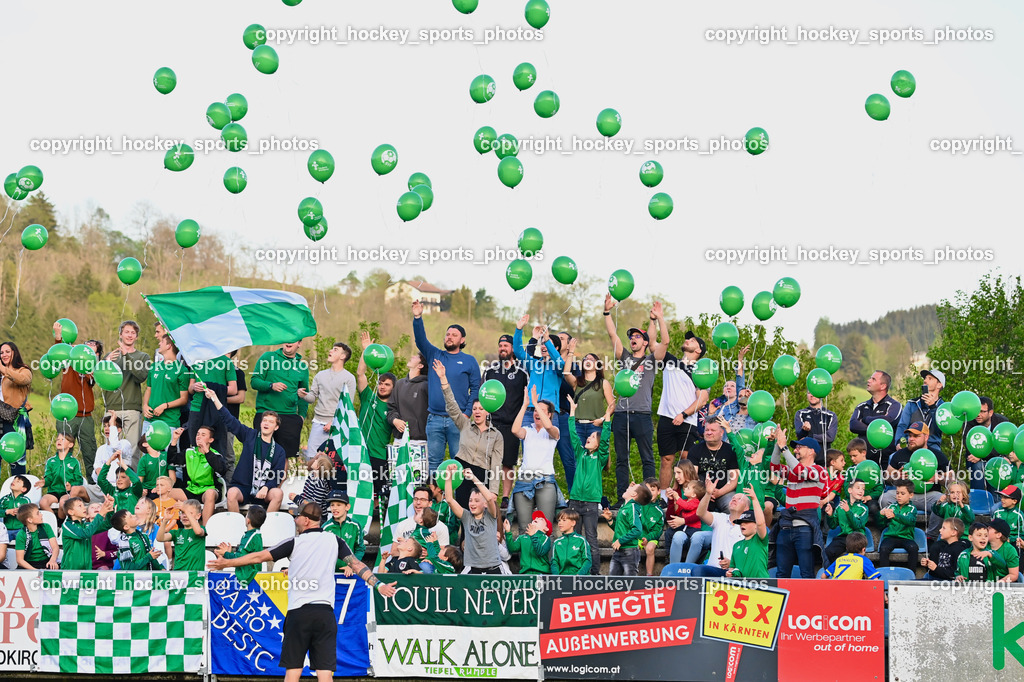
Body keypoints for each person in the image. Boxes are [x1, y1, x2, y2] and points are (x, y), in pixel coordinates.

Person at [208, 501, 397, 682]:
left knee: (293, 671)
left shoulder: (294, 542)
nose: (295, 520)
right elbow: (357, 565)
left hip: (299, 614)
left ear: (306, 520)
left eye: (297, 516)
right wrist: (379, 585)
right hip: (324, 614)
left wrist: (227, 562)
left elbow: (258, 557)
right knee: (325, 673)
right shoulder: (335, 540)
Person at [604, 295, 663, 502]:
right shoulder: (626, 358)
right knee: (622, 459)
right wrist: (607, 313)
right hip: (621, 415)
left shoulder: (651, 360)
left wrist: (654, 321)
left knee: (648, 459)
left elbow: (656, 341)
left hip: (643, 415)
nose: (633, 339)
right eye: (632, 337)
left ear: (644, 342)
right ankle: (622, 497)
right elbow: (613, 336)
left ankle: (650, 496)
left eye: (638, 336)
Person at [411, 300, 480, 473]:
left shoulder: (469, 361)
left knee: (459, 464)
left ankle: (458, 500)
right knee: (434, 463)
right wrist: (418, 317)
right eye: (447, 334)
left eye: (454, 335)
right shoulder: (435, 354)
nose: (449, 337)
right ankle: (436, 500)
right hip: (434, 419)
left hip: (458, 420)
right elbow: (420, 340)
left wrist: (466, 414)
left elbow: (476, 390)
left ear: (462, 340)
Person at [204, 388, 286, 515]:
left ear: (276, 427)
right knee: (231, 493)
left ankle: (266, 530)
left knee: (278, 493)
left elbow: (278, 475)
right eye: (264, 420)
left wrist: (266, 487)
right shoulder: (250, 435)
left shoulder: (279, 450)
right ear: (260, 423)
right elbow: (230, 420)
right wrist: (214, 397)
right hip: (244, 487)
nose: (266, 424)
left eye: (271, 422)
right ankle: (239, 530)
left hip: (263, 490)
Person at [435, 360, 503, 511]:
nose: (477, 411)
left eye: (481, 408)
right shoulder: (465, 425)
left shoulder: (496, 435)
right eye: (474, 408)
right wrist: (443, 379)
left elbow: (496, 465)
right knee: (463, 513)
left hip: (481, 474)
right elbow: (452, 406)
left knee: (479, 515)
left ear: (487, 411)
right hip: (462, 473)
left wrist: (493, 491)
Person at [654, 312, 708, 488]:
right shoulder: (670, 362)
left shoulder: (701, 371)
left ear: (699, 349)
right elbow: (655, 344)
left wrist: (683, 414)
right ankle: (663, 497)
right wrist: (655, 320)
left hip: (687, 420)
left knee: (686, 460)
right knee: (667, 459)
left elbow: (702, 399)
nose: (688, 341)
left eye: (692, 341)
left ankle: (688, 495)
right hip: (666, 418)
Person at [770, 430, 829, 579]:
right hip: (785, 527)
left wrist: (784, 448)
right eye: (795, 447)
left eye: (799, 447)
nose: (795, 449)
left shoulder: (820, 471)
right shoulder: (793, 471)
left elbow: (801, 471)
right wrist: (778, 445)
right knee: (781, 573)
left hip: (804, 528)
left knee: (806, 573)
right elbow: (774, 468)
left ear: (811, 451)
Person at [880, 421, 952, 537]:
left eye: (916, 436)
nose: (911, 439)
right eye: (910, 436)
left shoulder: (937, 455)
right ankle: (895, 531)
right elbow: (886, 477)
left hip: (928, 496)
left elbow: (953, 481)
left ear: (926, 437)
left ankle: (931, 536)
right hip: (904, 496)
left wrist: (938, 478)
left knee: (943, 502)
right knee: (885, 497)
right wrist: (896, 477)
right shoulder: (899, 454)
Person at [567, 396, 613, 575]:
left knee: (591, 539)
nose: (588, 437)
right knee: (575, 539)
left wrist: (607, 417)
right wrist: (573, 411)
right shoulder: (581, 454)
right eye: (589, 435)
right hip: (575, 502)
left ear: (598, 443)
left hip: (590, 505)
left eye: (593, 436)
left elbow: (606, 438)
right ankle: (576, 571)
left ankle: (595, 573)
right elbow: (572, 434)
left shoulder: (599, 457)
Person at [482, 336, 529, 504]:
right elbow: (482, 395)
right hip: (491, 425)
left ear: (512, 349)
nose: (502, 348)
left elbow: (528, 395)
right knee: (487, 463)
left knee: (507, 464)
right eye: (500, 345)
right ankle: (488, 496)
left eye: (506, 345)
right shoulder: (490, 370)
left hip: (512, 426)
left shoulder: (522, 372)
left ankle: (505, 497)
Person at [52, 325, 102, 482]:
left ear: (97, 355)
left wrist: (91, 369)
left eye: (91, 351)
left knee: (90, 454)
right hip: (67, 414)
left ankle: (94, 488)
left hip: (86, 417)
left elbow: (92, 381)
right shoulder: (69, 360)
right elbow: (57, 353)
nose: (86, 353)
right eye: (84, 349)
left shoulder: (95, 369)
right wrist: (59, 337)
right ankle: (61, 488)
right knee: (63, 454)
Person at [355, 332, 396, 507]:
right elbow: (360, 374)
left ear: (393, 388)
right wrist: (366, 352)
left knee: (377, 497)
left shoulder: (395, 409)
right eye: (380, 383)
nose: (382, 386)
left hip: (379, 456)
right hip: (359, 452)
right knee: (357, 491)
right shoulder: (368, 397)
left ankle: (374, 531)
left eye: (387, 384)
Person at [250, 340, 309, 460]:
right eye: (287, 338)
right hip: (265, 414)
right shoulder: (268, 357)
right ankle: (260, 479)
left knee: (283, 457)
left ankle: (279, 479)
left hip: (289, 417)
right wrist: (271, 385)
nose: (289, 342)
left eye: (293, 340)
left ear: (299, 344)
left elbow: (304, 395)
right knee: (260, 455)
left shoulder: (302, 367)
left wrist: (301, 416)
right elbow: (254, 381)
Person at [510, 385, 558, 532]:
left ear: (549, 414)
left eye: (542, 411)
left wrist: (536, 403)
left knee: (546, 529)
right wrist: (526, 405)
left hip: (546, 481)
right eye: (535, 411)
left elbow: (549, 427)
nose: (537, 413)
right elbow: (514, 430)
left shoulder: (554, 431)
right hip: (524, 481)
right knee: (525, 529)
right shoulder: (528, 430)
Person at [102, 321, 151, 465]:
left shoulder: (143, 357)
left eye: (133, 333)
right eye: (127, 332)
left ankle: (132, 483)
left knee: (132, 451)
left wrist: (126, 356)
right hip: (112, 409)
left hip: (132, 410)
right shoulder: (110, 356)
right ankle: (111, 483)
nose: (130, 335)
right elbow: (101, 379)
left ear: (136, 337)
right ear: (120, 335)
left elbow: (141, 376)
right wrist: (105, 364)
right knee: (110, 449)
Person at [300, 342, 356, 457]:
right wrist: (303, 395)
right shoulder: (320, 375)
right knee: (312, 458)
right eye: (332, 349)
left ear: (343, 356)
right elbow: (312, 398)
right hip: (318, 423)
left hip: (338, 426)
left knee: (334, 461)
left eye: (335, 349)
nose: (330, 351)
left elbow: (347, 406)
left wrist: (334, 423)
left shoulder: (349, 378)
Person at [443, 464, 501, 573]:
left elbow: (489, 498)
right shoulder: (466, 516)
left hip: (493, 568)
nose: (472, 503)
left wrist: (473, 477)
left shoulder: (490, 516)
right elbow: (450, 499)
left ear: (484, 504)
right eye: (470, 500)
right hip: (473, 569)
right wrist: (448, 476)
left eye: (476, 500)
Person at [694, 477, 750, 575]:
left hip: (734, 572)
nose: (734, 500)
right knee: (698, 570)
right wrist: (708, 494)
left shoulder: (748, 528)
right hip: (713, 570)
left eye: (739, 499)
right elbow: (700, 513)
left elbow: (750, 558)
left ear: (746, 508)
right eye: (733, 498)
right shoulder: (720, 518)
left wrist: (732, 563)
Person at [848, 370, 903, 467]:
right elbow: (853, 425)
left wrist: (865, 419)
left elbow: (889, 421)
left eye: (873, 379)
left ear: (883, 386)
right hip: (864, 463)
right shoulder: (862, 406)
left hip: (886, 463)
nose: (868, 381)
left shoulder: (894, 405)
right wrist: (877, 429)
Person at [144, 334, 190, 447]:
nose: (159, 343)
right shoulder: (154, 367)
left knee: (168, 459)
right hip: (149, 421)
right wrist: (144, 405)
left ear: (169, 346)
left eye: (162, 342)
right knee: (148, 457)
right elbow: (148, 390)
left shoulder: (182, 370)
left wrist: (165, 405)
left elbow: (184, 399)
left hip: (169, 422)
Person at [688, 418, 740, 512]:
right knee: (692, 505)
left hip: (724, 491)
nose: (709, 433)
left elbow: (734, 478)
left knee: (732, 507)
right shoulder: (695, 450)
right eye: (707, 430)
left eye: (713, 430)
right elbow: (692, 477)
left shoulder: (730, 450)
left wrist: (719, 492)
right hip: (701, 491)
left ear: (721, 433)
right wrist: (706, 492)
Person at [180, 424, 228, 524]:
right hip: (192, 490)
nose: (199, 436)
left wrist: (206, 451)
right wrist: (174, 441)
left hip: (208, 490)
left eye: (203, 434)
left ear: (210, 440)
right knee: (166, 491)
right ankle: (171, 527)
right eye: (198, 434)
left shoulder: (216, 455)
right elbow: (171, 461)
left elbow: (221, 470)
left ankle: (205, 530)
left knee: (210, 493)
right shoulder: (189, 452)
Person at [895, 369, 946, 455]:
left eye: (930, 379)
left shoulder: (944, 407)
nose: (925, 381)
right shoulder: (912, 404)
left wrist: (933, 407)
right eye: (925, 378)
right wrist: (899, 442)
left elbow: (939, 430)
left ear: (939, 385)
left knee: (940, 462)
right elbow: (902, 425)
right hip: (911, 445)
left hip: (932, 447)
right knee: (892, 458)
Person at [602, 483, 648, 576]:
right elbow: (620, 530)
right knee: (612, 582)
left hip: (629, 551)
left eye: (631, 487)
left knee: (630, 583)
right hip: (618, 551)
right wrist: (610, 520)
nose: (628, 487)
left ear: (634, 494)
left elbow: (637, 530)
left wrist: (620, 541)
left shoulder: (633, 507)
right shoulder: (624, 507)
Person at [39, 432, 89, 519]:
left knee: (63, 502)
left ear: (70, 444)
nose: (59, 441)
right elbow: (49, 477)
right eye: (58, 439)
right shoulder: (51, 461)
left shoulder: (74, 462)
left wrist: (72, 486)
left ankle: (62, 522)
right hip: (53, 491)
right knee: (43, 502)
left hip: (67, 492)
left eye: (63, 439)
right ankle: (54, 521)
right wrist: (45, 482)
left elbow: (79, 479)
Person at [0, 341, 32, 476]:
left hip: (14, 421)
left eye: (7, 351)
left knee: (17, 459)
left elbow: (23, 380)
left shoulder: (23, 370)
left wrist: (3, 369)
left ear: (15, 352)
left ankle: (19, 493)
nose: (4, 355)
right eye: (1, 353)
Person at [965, 397, 1010, 491]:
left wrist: (982, 455)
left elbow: (1003, 445)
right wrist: (979, 455)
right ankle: (978, 499)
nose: (978, 414)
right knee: (978, 466)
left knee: (997, 466)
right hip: (975, 460)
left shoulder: (1002, 422)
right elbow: (968, 444)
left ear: (990, 412)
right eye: (977, 411)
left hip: (996, 458)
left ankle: (996, 500)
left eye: (982, 411)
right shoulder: (969, 422)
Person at [214, 505, 266, 586]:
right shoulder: (253, 535)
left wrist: (226, 554)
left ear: (248, 520)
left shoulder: (251, 537)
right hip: (248, 579)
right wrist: (230, 553)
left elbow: (241, 559)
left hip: (248, 579)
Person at [385, 350, 428, 446]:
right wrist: (395, 420)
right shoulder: (399, 384)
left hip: (420, 442)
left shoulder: (426, 386)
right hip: (399, 440)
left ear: (420, 366)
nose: (412, 356)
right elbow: (391, 409)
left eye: (416, 356)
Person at [60, 495, 115, 570]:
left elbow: (108, 524)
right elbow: (85, 534)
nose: (84, 507)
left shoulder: (86, 525)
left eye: (84, 505)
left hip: (86, 570)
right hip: (70, 571)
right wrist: (101, 513)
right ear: (71, 512)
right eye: (80, 506)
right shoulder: (67, 525)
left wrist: (109, 509)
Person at [725, 486, 769, 579]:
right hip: (743, 588)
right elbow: (733, 568)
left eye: (747, 522)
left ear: (756, 525)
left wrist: (754, 499)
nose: (742, 525)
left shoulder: (760, 540)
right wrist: (730, 573)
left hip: (762, 586)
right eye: (741, 522)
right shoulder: (736, 545)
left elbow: (761, 523)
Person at [824, 480, 870, 567]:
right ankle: (832, 576)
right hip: (844, 537)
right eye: (858, 488)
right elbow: (833, 526)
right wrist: (829, 515)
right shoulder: (840, 506)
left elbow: (857, 526)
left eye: (863, 489)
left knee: (854, 557)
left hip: (858, 537)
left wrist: (848, 511)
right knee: (828, 552)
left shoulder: (864, 508)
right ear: (850, 490)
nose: (861, 491)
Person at [876, 482, 920, 568]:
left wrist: (895, 516)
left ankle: (912, 576)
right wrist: (880, 515)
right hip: (891, 537)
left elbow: (910, 521)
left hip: (906, 537)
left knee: (913, 548)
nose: (899, 496)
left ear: (911, 495)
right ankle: (884, 574)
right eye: (897, 493)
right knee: (884, 548)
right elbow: (880, 524)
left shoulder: (912, 509)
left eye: (902, 493)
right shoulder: (891, 507)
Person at [157, 499, 206, 571]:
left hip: (195, 575)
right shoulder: (177, 532)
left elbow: (198, 532)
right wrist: (165, 520)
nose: (185, 515)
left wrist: (185, 510)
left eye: (190, 513)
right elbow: (160, 538)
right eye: (182, 512)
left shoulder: (201, 529)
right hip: (178, 575)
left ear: (198, 516)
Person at [845, 439, 883, 523]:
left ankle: (881, 528)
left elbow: (880, 489)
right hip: (853, 499)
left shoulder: (873, 468)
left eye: (855, 456)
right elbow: (846, 488)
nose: (852, 459)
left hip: (869, 499)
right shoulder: (850, 470)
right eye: (850, 456)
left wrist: (869, 497)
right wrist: (855, 496)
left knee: (874, 507)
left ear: (863, 453)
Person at [794, 391, 838, 464]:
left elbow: (830, 437)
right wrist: (804, 431)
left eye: (814, 392)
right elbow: (799, 436)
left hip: (824, 460)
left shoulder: (831, 415)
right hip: (804, 461)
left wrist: (810, 436)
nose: (812, 395)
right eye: (809, 393)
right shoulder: (800, 413)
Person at [224, 349, 248, 477]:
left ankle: (228, 489)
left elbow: (240, 398)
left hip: (229, 421)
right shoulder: (213, 371)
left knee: (228, 456)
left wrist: (218, 398)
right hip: (211, 420)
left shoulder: (238, 373)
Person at [322, 493, 365, 563]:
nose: (334, 508)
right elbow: (322, 551)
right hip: (330, 571)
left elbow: (360, 548)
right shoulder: (325, 527)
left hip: (350, 571)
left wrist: (352, 565)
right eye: (332, 505)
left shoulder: (355, 525)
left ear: (347, 507)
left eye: (338, 505)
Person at [14, 504, 58, 569]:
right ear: (30, 520)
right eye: (38, 513)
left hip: (46, 560)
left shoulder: (46, 527)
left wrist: (52, 560)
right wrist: (35, 571)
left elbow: (55, 547)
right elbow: (20, 560)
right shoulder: (21, 534)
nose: (41, 514)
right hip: (29, 563)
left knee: (54, 568)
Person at [552, 509, 592, 575]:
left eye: (564, 520)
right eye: (559, 520)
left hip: (579, 579)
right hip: (562, 579)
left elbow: (587, 561)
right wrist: (556, 576)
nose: (560, 523)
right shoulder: (557, 542)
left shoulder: (581, 540)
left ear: (573, 523)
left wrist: (579, 575)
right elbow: (554, 562)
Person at [640, 478, 665, 576]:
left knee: (650, 548)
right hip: (638, 536)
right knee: (630, 546)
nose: (649, 492)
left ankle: (649, 575)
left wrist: (648, 538)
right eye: (647, 489)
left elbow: (658, 531)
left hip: (651, 538)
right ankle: (630, 573)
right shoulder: (638, 506)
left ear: (659, 492)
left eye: (653, 489)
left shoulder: (658, 511)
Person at [986, 518, 1020, 583]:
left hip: (1004, 588)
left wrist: (1000, 582)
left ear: (998, 535)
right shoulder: (983, 545)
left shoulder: (1010, 550)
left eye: (989, 528)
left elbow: (1014, 575)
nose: (986, 530)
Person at [991, 485, 1024, 550]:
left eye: (1005, 497)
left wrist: (1011, 539)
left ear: (1014, 501)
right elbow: (991, 528)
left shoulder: (1019, 515)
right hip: (997, 540)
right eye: (1001, 497)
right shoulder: (997, 512)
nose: (1002, 500)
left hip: (1013, 542)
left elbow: (1022, 534)